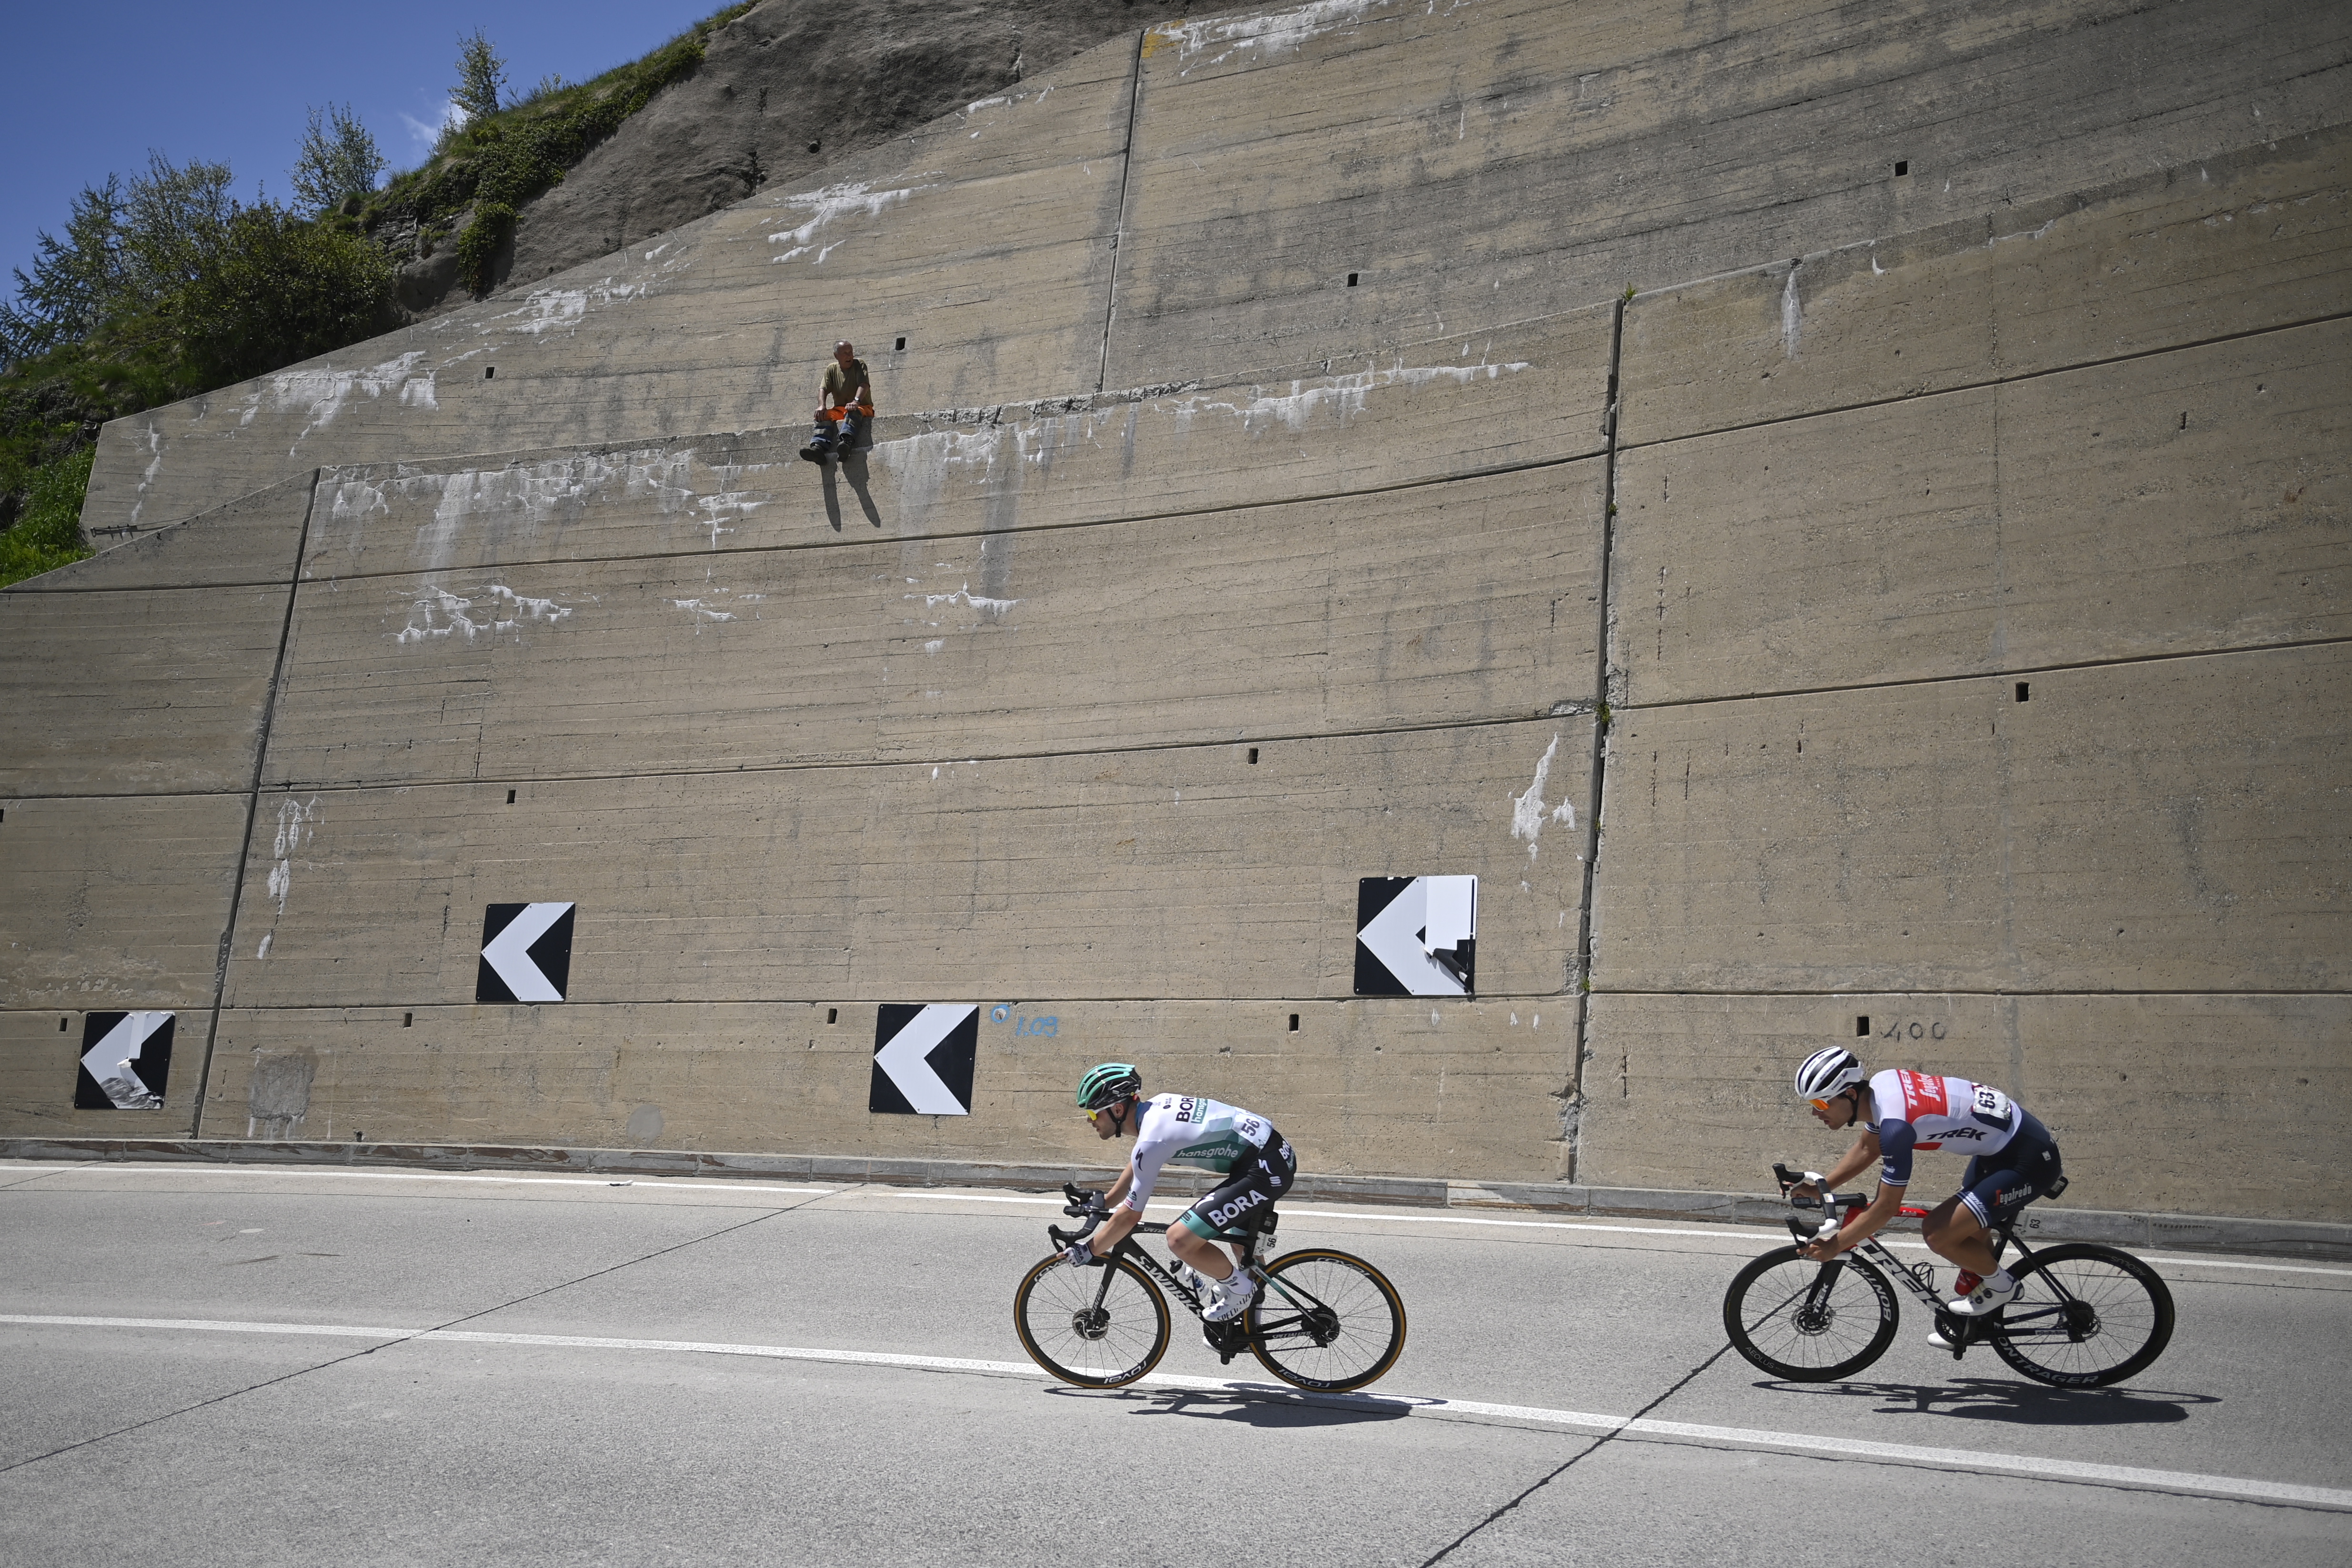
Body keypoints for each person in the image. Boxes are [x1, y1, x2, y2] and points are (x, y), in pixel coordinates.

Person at [1789, 1047, 2065, 1338]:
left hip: (2029, 1161)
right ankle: (1974, 1326)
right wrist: (1821, 1189)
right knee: (1965, 1229)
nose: (1815, 1112)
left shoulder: (1897, 1127)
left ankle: (2003, 1286)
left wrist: (1836, 1245)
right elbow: (1868, 1148)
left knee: (1937, 1232)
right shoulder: (1882, 1088)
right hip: (2001, 1147)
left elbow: (1886, 1207)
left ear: (1851, 1095)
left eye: (1820, 1104)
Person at [1064, 1062, 1296, 1324]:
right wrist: (1107, 1201)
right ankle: (1249, 1330)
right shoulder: (1156, 1109)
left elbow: (1129, 1217)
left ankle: (1241, 1292)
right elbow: (1141, 1162)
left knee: (1179, 1239)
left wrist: (1089, 1250)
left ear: (1117, 1110)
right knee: (1245, 1255)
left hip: (1264, 1168)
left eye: (1094, 1114)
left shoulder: (1151, 1141)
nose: (1089, 1120)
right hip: (1270, 1154)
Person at [800, 340, 874, 464]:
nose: (849, 356)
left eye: (851, 352)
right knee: (822, 415)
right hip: (840, 410)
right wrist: (821, 406)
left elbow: (864, 384)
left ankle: (846, 443)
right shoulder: (831, 369)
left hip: (862, 408)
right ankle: (818, 449)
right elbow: (823, 389)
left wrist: (856, 401)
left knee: (853, 411)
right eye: (845, 353)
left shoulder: (859, 364)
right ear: (836, 356)